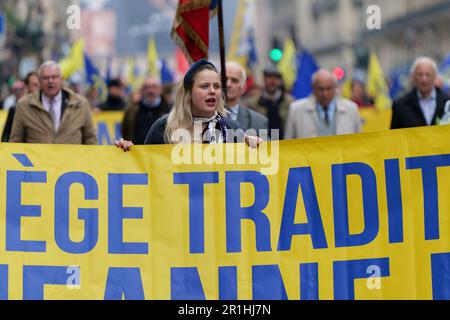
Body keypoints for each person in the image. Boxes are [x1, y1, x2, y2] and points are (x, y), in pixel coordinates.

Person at [116, 59, 261, 150]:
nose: (212, 91)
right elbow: (146, 171)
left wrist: (256, 147)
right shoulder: (163, 128)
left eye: (216, 86)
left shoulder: (232, 129)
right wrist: (130, 153)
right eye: (204, 86)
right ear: (188, 93)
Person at [9, 61, 97, 144]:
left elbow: (90, 139)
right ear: (39, 81)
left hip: (71, 160)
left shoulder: (80, 104)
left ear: (61, 79)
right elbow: (16, 140)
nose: (50, 81)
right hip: (37, 160)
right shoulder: (24, 105)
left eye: (54, 77)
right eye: (46, 78)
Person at [284, 69, 361, 139]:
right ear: (313, 88)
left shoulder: (351, 109)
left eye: (329, 88)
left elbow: (359, 141)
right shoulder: (296, 110)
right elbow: (288, 143)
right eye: (321, 89)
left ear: (335, 87)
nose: (325, 94)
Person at [391, 56, 450, 129]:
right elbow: (394, 137)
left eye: (428, 75)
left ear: (435, 76)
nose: (424, 79)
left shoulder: (447, 102)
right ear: (413, 77)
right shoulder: (400, 106)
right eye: (420, 74)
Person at [247, 66, 294, 139]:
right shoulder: (254, 103)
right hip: (263, 145)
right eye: (269, 78)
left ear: (280, 81)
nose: (272, 82)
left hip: (285, 144)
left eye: (275, 78)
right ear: (264, 80)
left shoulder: (290, 103)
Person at [121, 77, 170, 144]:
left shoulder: (169, 111)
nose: (151, 91)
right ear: (142, 90)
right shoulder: (131, 112)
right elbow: (126, 134)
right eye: (147, 87)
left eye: (154, 87)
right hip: (137, 154)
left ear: (160, 89)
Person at [225, 61, 268, 133]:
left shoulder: (259, 122)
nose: (228, 84)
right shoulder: (204, 118)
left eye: (234, 80)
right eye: (224, 79)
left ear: (244, 87)